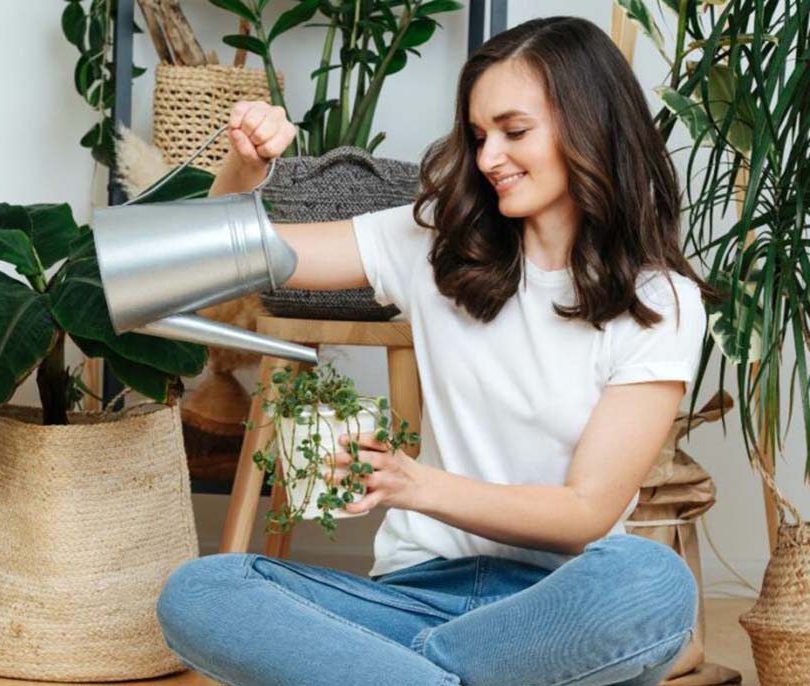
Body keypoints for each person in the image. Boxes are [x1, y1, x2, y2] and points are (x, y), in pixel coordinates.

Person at [155, 16, 717, 686]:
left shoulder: (661, 301)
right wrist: (245, 168)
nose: (487, 159)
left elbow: (584, 515)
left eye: (514, 131)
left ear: (591, 124)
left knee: (652, 581)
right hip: (410, 602)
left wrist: (415, 483)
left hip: (553, 614)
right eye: (479, 137)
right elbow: (224, 261)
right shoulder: (432, 241)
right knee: (200, 593)